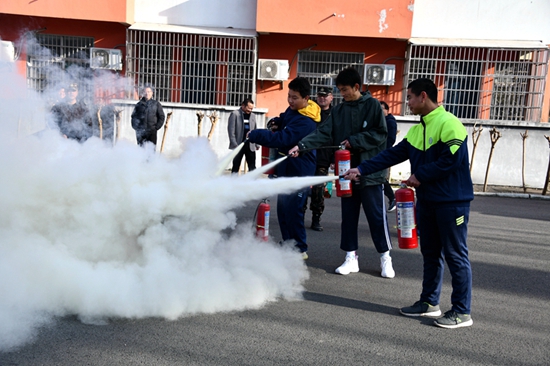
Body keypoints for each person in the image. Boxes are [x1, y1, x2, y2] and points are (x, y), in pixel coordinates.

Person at [343, 78, 474, 329]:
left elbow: (452, 161)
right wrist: (360, 169)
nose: (408, 103)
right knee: (431, 253)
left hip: (452, 202)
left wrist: (419, 175)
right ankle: (429, 303)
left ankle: (461, 311)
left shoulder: (450, 124)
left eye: (411, 98)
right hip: (427, 201)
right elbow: (391, 154)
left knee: (456, 255)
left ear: (423, 96)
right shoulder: (417, 130)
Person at [289, 67, 395, 278]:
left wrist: (355, 141)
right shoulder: (339, 111)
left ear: (357, 87)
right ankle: (350, 257)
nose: (342, 94)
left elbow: (380, 134)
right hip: (346, 174)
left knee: (376, 217)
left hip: (370, 173)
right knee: (348, 217)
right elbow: (324, 133)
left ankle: (385, 258)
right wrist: (301, 146)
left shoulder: (373, 105)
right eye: (339, 90)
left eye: (345, 89)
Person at [247, 77, 320, 259]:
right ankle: (288, 245)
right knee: (284, 210)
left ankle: (300, 248)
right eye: (289, 96)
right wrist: (277, 121)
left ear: (306, 98)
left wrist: (256, 134)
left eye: (294, 98)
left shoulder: (307, 121)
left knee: (294, 211)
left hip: (299, 172)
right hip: (286, 169)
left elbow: (283, 139)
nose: (290, 101)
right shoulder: (294, 110)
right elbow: (285, 119)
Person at [304, 86, 334, 231]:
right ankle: (300, 216)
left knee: (318, 190)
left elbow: (337, 136)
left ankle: (316, 218)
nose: (322, 98)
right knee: (302, 187)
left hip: (323, 157)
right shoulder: (310, 110)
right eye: (320, 96)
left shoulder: (335, 114)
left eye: (325, 96)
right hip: (307, 155)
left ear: (331, 97)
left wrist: (335, 158)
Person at [228, 98, 259, 173]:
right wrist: (234, 144)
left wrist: (257, 144)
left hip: (250, 145)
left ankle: (252, 182)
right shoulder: (235, 114)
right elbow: (231, 130)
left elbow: (255, 129)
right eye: (249, 108)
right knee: (236, 165)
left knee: (252, 166)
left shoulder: (253, 116)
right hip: (238, 144)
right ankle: (232, 182)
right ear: (243, 106)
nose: (250, 110)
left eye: (252, 108)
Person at [380, 101, 397, 212]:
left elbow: (390, 139)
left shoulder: (390, 122)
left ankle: (392, 198)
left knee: (381, 178)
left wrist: (385, 151)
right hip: (377, 153)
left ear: (387, 110)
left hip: (384, 153)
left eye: (382, 109)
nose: (380, 111)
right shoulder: (379, 121)